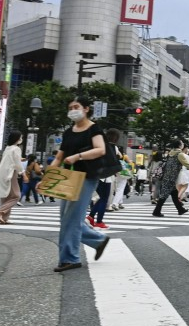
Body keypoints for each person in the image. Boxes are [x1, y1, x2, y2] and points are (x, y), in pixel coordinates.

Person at [49, 97, 110, 272]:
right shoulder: (69, 132)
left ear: (86, 109)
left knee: (72, 218)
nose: (73, 110)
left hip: (87, 175)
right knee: (67, 218)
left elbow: (101, 149)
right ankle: (98, 240)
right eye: (70, 107)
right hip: (68, 176)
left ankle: (70, 258)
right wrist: (48, 178)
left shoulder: (94, 128)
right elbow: (59, 157)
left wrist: (78, 157)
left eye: (76, 107)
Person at [153, 141, 189, 217]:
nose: (183, 144)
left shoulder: (171, 153)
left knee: (174, 194)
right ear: (180, 145)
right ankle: (156, 211)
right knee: (163, 196)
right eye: (182, 143)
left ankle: (180, 209)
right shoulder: (179, 154)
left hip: (167, 176)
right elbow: (187, 165)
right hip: (171, 177)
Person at [88, 130, 123, 229]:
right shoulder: (113, 147)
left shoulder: (100, 145)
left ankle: (91, 217)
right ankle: (98, 221)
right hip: (107, 176)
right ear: (116, 138)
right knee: (104, 198)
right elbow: (120, 157)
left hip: (96, 174)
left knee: (101, 197)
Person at [0, 131, 25, 224]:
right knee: (16, 196)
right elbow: (17, 164)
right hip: (11, 173)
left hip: (2, 173)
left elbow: (11, 159)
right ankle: (0, 212)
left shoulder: (8, 148)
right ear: (17, 139)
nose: (21, 139)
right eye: (20, 137)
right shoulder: (16, 149)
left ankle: (4, 218)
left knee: (6, 195)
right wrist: (23, 173)